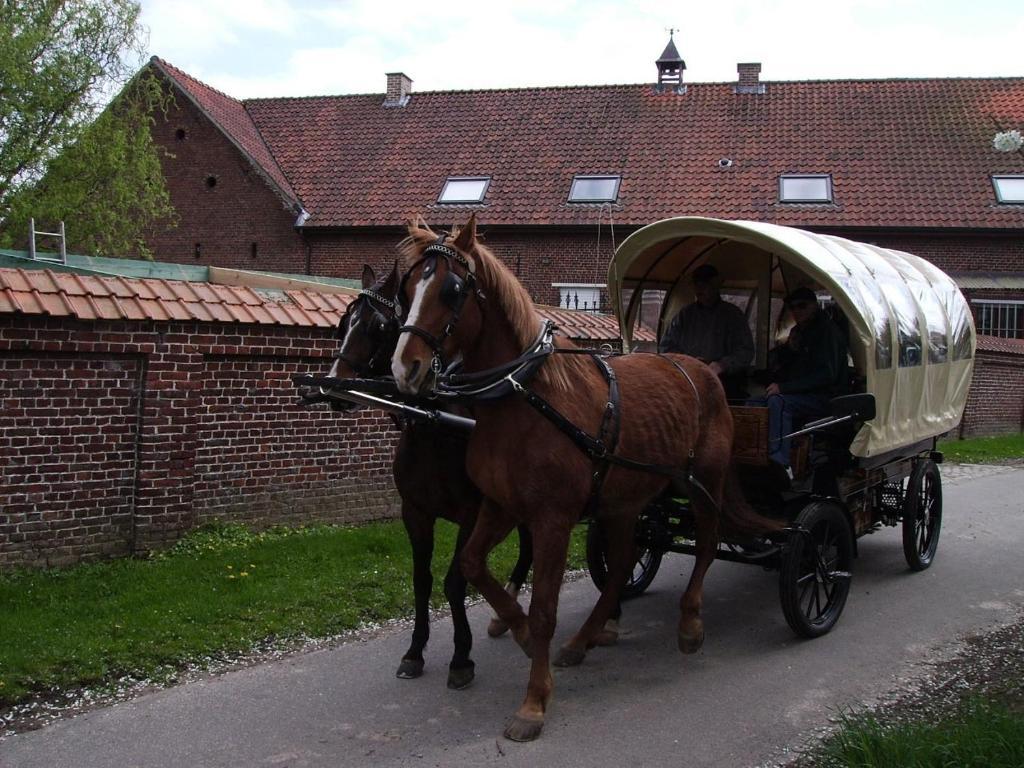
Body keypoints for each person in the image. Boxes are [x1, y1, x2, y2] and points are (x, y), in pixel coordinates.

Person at [758, 286, 850, 472]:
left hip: (826, 398)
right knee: (753, 402)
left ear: (814, 306)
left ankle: (779, 463)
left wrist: (784, 388)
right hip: (802, 395)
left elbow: (826, 375)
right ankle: (752, 456)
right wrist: (787, 351)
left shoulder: (827, 333)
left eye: (802, 306)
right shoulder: (799, 333)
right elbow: (788, 366)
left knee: (778, 402)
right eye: (793, 308)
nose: (797, 311)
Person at [659, 264, 754, 399]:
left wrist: (722, 365)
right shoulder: (684, 316)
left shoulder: (733, 316)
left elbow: (745, 351)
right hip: (688, 379)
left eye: (705, 284)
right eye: (696, 285)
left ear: (716, 286)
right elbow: (666, 347)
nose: (699, 289)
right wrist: (687, 361)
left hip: (724, 383)